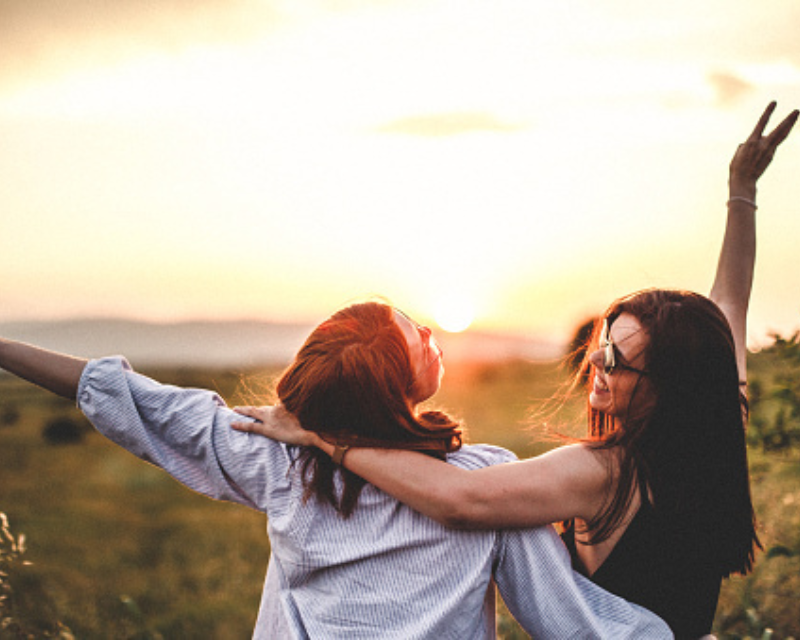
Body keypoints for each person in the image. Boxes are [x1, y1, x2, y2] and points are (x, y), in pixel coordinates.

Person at [232, 101, 799, 639]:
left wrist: (328, 438)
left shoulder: (603, 471)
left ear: (669, 387)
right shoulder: (713, 424)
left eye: (620, 362)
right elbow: (729, 305)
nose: (596, 362)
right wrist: (742, 193)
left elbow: (463, 501)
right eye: (605, 342)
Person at [0, 304, 671, 638]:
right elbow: (564, 617)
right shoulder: (485, 481)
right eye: (419, 338)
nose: (433, 335)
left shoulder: (280, 459)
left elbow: (126, 394)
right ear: (396, 386)